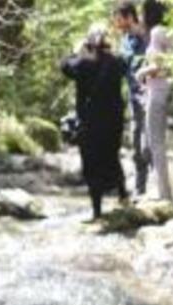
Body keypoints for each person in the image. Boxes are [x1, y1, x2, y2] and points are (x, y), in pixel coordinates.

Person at [61, 24, 130, 220]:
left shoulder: (81, 64)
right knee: (112, 157)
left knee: (92, 165)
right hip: (113, 123)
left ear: (88, 43)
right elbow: (126, 65)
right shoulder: (116, 62)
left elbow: (64, 66)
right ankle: (123, 195)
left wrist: (76, 51)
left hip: (89, 123)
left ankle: (97, 212)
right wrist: (111, 50)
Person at [113, 1, 149, 196]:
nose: (116, 23)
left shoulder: (146, 37)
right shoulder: (123, 39)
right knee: (136, 144)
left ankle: (156, 189)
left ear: (129, 17)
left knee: (147, 144)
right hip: (133, 99)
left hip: (149, 97)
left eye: (118, 19)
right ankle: (140, 190)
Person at [137, 25, 173, 202]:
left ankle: (164, 194)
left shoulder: (157, 33)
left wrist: (140, 73)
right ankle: (161, 190)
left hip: (157, 95)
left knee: (155, 144)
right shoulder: (169, 34)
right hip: (159, 93)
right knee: (154, 144)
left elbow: (160, 66)